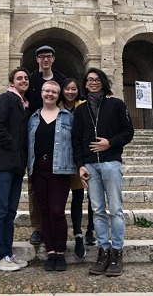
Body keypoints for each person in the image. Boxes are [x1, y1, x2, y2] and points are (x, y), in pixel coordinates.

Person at [72, 68, 134, 277]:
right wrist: (80, 165)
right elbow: (76, 139)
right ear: (85, 84)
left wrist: (110, 143)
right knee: (97, 210)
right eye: (89, 80)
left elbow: (128, 131)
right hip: (90, 165)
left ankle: (117, 252)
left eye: (97, 79)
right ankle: (103, 251)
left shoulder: (116, 104)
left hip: (110, 162)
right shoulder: (80, 110)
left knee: (115, 209)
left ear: (103, 82)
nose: (93, 83)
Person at [0, 67, 31, 272]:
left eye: (26, 78)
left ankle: (7, 253)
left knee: (10, 211)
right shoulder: (5, 98)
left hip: (15, 165)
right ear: (12, 82)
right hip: (3, 162)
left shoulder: (23, 104)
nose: (23, 80)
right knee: (0, 209)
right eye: (19, 78)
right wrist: (13, 145)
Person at [28, 80, 76, 272]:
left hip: (60, 169)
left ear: (59, 95)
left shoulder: (68, 117)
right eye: (46, 91)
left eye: (54, 92)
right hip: (38, 169)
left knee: (57, 212)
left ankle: (61, 252)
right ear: (41, 93)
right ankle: (50, 252)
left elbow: (75, 142)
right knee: (45, 213)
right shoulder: (32, 118)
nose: (50, 94)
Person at [26, 45, 66, 246]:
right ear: (37, 59)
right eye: (41, 57)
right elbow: (17, 91)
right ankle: (37, 228)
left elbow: (73, 93)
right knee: (34, 186)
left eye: (48, 56)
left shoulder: (60, 78)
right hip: (35, 131)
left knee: (56, 185)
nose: (45, 60)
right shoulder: (31, 78)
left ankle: (54, 224)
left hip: (57, 130)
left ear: (53, 58)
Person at [59, 78, 96, 259]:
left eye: (74, 89)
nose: (71, 92)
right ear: (62, 91)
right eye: (67, 89)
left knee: (92, 196)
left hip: (85, 155)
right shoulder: (57, 106)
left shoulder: (85, 105)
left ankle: (90, 228)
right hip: (68, 157)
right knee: (77, 197)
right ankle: (78, 233)